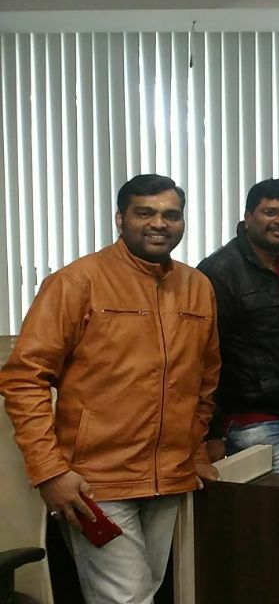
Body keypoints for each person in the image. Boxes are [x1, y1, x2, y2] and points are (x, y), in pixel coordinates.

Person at [0, 174, 220, 603]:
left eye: (171, 215)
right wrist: (50, 471)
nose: (159, 223)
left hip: (170, 478)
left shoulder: (197, 287)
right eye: (145, 213)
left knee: (146, 590)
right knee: (126, 598)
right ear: (121, 219)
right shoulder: (77, 282)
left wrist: (195, 452)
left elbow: (204, 379)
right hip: (95, 483)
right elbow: (24, 377)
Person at [199, 178, 279, 474]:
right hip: (252, 422)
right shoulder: (219, 271)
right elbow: (205, 357)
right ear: (248, 217)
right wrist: (211, 433)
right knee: (276, 502)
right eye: (271, 212)